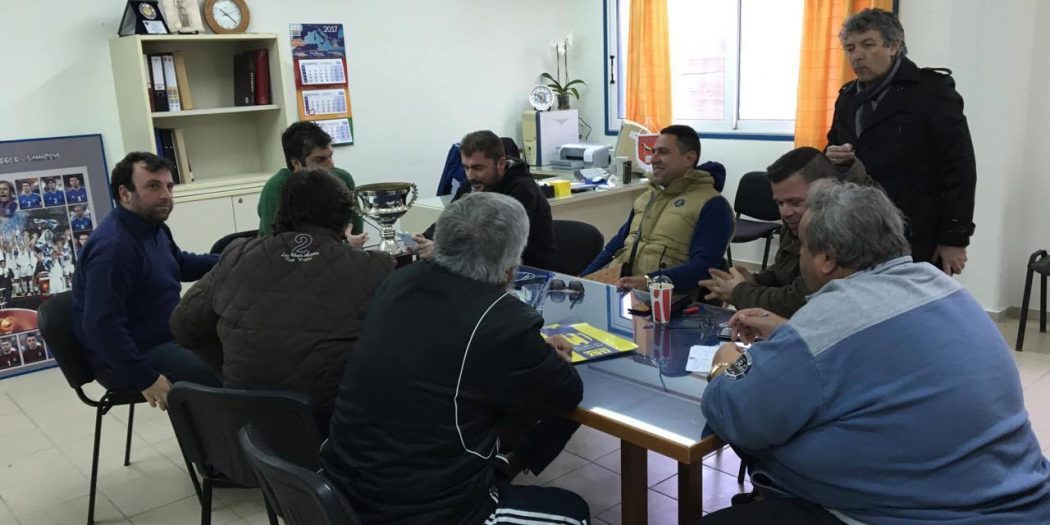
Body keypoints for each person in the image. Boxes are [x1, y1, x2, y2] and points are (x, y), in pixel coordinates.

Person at [700, 181, 1050, 524]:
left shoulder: (830, 318)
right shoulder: (941, 285)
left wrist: (726, 363)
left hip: (925, 513)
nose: (800, 254)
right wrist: (790, 332)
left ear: (826, 258)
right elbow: (878, 351)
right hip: (1023, 496)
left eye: (803, 246)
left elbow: (737, 415)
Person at [323, 192, 589, 524]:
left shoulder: (398, 282)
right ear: (510, 267)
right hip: (421, 511)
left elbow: (444, 346)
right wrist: (547, 355)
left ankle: (503, 466)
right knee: (572, 513)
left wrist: (533, 350)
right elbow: (565, 392)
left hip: (342, 490)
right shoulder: (502, 318)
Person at [171, 169, 394, 425]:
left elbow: (183, 325)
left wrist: (231, 366)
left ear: (280, 211)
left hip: (249, 428)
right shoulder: (373, 268)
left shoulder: (237, 256)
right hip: (336, 424)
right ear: (344, 217)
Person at [826, 8, 976, 274]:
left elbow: (959, 167)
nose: (857, 55)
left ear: (893, 45)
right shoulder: (848, 97)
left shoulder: (930, 91)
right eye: (850, 48)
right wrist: (832, 155)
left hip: (915, 232)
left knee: (914, 300)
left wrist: (954, 238)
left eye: (867, 45)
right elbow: (831, 147)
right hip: (857, 229)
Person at [73, 152, 220, 412]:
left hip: (164, 336)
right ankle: (232, 436)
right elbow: (100, 326)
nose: (165, 195)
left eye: (169, 186)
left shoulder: (153, 227)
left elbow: (179, 264)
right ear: (125, 194)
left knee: (238, 348)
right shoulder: (114, 249)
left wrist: (233, 257)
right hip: (129, 355)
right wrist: (145, 377)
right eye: (153, 186)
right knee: (225, 374)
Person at [698, 148, 868, 317]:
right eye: (779, 203)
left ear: (827, 194)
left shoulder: (843, 234)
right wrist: (755, 280)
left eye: (795, 202)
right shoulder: (797, 221)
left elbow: (796, 303)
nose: (785, 213)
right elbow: (783, 271)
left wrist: (739, 292)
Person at [581, 125, 734, 291]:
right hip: (624, 290)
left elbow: (704, 268)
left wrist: (650, 282)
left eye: (663, 152)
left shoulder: (712, 205)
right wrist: (581, 279)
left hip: (667, 298)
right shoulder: (646, 198)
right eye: (653, 152)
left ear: (689, 158)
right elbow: (614, 248)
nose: (653, 159)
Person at [411, 131, 559, 271]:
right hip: (481, 270)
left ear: (501, 164)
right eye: (466, 168)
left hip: (527, 273)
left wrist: (442, 252)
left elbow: (497, 246)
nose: (471, 176)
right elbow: (448, 220)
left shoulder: (523, 191)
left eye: (478, 168)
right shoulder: (473, 184)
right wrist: (424, 238)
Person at [257, 121, 367, 247]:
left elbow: (356, 228)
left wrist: (351, 241)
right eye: (320, 160)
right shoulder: (276, 188)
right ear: (296, 163)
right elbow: (274, 245)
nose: (331, 165)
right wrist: (344, 245)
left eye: (330, 156)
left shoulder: (342, 179)